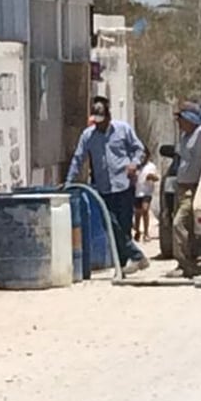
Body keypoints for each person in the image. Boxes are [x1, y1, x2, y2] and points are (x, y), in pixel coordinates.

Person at [66, 96, 150, 275]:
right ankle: (137, 256)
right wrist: (69, 181)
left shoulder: (123, 129)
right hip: (104, 189)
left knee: (124, 226)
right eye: (96, 122)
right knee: (111, 226)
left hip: (124, 186)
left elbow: (139, 149)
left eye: (101, 121)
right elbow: (78, 158)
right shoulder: (88, 136)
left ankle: (122, 267)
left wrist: (134, 163)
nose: (99, 125)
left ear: (109, 117)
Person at [166, 106, 201, 278]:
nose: (178, 123)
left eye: (181, 119)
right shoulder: (185, 137)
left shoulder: (200, 132)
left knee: (179, 224)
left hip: (193, 188)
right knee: (189, 229)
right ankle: (189, 265)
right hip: (182, 187)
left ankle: (186, 263)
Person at [133, 149, 159, 242]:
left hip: (147, 192)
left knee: (145, 210)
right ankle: (137, 231)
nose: (142, 158)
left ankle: (146, 232)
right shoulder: (137, 166)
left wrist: (151, 177)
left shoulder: (151, 166)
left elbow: (156, 178)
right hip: (137, 192)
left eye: (144, 156)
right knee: (137, 213)